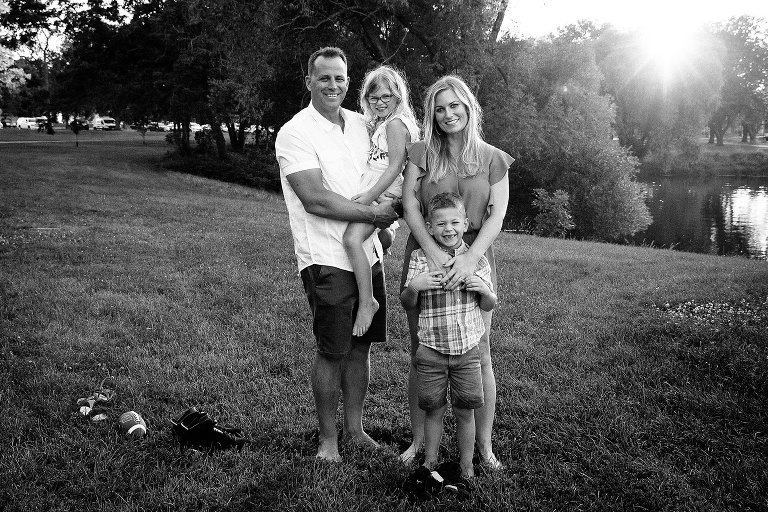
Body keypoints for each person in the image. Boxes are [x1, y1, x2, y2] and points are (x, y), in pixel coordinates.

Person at [274, 47, 398, 462]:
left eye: (340, 78)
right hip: (326, 257)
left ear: (349, 82)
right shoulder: (295, 132)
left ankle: (355, 428)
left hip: (369, 252)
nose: (333, 85)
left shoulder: (364, 125)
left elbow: (384, 173)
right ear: (308, 81)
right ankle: (328, 440)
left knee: (361, 348)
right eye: (324, 78)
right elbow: (316, 199)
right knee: (333, 350)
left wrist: (388, 226)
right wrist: (374, 215)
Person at [399, 75, 514, 470]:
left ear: (468, 107)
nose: (448, 114)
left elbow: (497, 215)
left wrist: (467, 260)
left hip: (477, 258)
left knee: (479, 352)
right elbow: (411, 208)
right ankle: (418, 443)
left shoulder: (493, 158)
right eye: (440, 108)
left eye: (455, 106)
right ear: (431, 113)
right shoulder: (420, 153)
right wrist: (432, 254)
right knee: (422, 352)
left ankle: (484, 447)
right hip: (424, 257)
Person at [401, 192, 497, 479]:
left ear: (466, 224)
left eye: (455, 222)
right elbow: (407, 302)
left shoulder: (475, 261)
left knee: (465, 410)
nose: (448, 229)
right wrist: (415, 286)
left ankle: (466, 467)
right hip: (431, 349)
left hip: (468, 352)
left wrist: (484, 291)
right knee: (433, 409)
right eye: (440, 224)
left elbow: (490, 303)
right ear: (429, 228)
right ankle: (430, 463)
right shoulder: (420, 258)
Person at [343, 65, 420, 337]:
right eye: (373, 98)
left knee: (352, 239)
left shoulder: (397, 125)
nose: (380, 102)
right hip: (379, 186)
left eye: (386, 96)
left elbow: (395, 166)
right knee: (373, 236)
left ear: (398, 96)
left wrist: (369, 196)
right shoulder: (384, 123)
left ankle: (368, 301)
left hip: (384, 189)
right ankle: (385, 236)